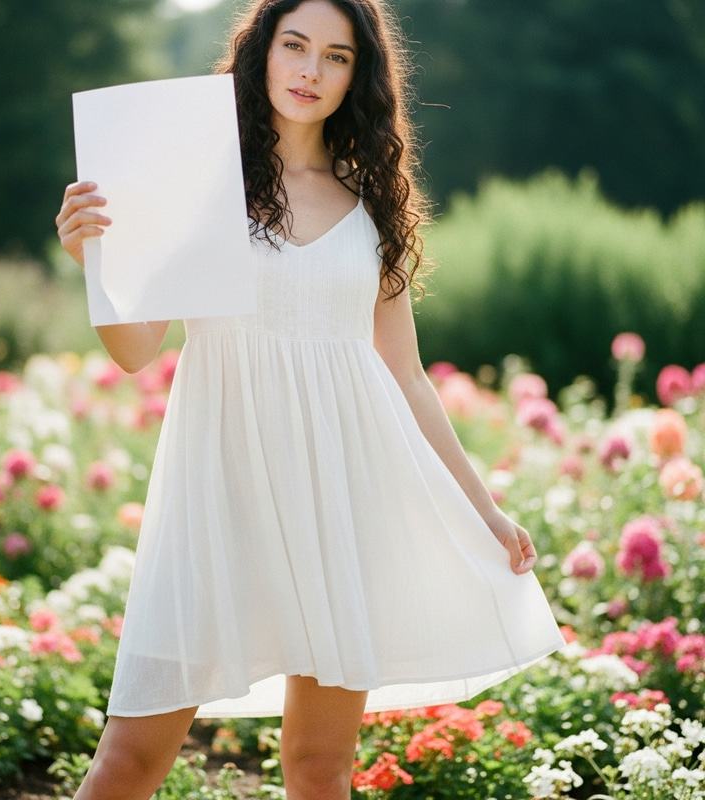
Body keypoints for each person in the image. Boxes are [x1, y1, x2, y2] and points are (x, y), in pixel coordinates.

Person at [55, 0, 565, 798]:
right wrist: (94, 258)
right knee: (128, 761)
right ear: (261, 53)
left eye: (336, 56)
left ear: (358, 76)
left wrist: (487, 511)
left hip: (343, 503)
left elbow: (406, 376)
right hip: (218, 498)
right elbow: (134, 351)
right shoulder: (201, 186)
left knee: (320, 766)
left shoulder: (372, 206)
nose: (310, 71)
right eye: (294, 46)